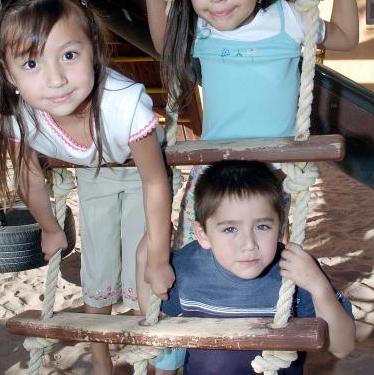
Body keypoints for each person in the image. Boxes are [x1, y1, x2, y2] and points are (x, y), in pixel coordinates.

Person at [115, 0, 359, 248]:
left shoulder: (286, 18)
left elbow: (346, 37)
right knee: (197, 251)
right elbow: (163, 45)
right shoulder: (202, 27)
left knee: (263, 258)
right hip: (212, 167)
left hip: (270, 171)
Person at [0, 0, 174, 375]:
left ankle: (150, 363)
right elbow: (29, 176)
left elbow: (155, 182)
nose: (55, 79)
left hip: (141, 176)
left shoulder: (124, 105)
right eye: (32, 63)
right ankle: (102, 365)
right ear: (8, 73)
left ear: (94, 49)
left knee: (146, 274)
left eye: (69, 55)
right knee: (96, 272)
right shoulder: (13, 114)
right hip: (92, 174)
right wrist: (50, 227)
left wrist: (158, 255)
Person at [137, 160, 355, 374]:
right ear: (203, 234)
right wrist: (142, 261)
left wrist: (318, 287)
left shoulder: (296, 272)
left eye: (262, 226)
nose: (249, 244)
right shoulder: (187, 266)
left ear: (279, 227)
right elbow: (155, 319)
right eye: (230, 229)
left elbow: (343, 346)